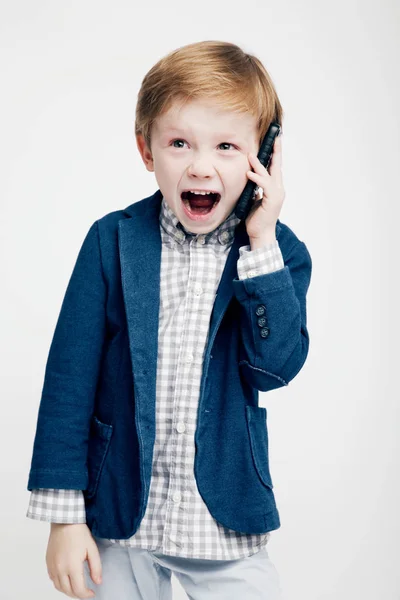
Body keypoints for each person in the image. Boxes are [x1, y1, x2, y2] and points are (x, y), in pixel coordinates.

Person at [26, 40, 312, 599]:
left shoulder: (277, 255)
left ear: (264, 157)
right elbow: (69, 378)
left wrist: (260, 243)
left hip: (222, 516)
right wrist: (64, 516)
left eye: (227, 146)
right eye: (180, 142)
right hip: (121, 512)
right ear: (147, 150)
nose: (201, 165)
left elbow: (274, 369)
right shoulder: (111, 240)